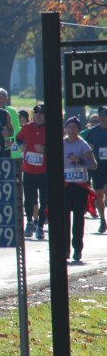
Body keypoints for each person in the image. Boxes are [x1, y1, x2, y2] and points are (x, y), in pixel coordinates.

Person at [64, 116, 97, 262]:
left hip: (80, 186)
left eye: (74, 127)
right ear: (65, 128)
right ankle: (64, 250)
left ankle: (77, 249)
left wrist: (80, 160)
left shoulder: (82, 145)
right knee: (63, 220)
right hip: (65, 185)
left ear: (78, 129)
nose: (71, 130)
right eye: (69, 127)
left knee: (78, 219)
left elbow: (93, 165)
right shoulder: (61, 144)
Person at [17, 104, 48, 240]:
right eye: (36, 114)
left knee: (44, 200)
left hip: (44, 171)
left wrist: (45, 149)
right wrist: (21, 145)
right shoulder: (27, 127)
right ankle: (30, 222)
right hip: (28, 170)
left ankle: (40, 226)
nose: (39, 116)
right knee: (29, 199)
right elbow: (18, 138)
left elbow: (60, 147)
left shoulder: (51, 129)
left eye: (41, 114)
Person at [81, 105, 107, 234]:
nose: (103, 118)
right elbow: (89, 150)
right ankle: (103, 220)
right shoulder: (92, 132)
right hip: (98, 167)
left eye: (105, 115)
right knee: (99, 194)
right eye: (101, 115)